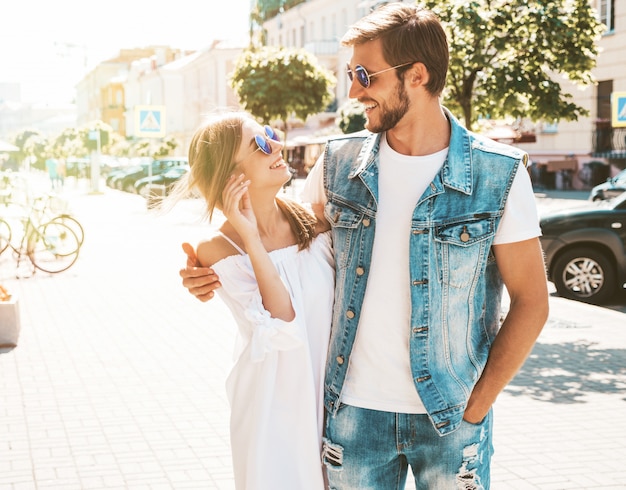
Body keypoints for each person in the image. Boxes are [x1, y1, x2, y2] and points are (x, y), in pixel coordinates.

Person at [180, 4, 549, 489]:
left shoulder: (497, 175)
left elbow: (532, 302)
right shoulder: (337, 164)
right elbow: (279, 236)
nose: (353, 91)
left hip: (451, 419)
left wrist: (476, 407)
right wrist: (210, 268)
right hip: (352, 419)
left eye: (363, 75)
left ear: (416, 76)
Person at [170, 111, 333, 490]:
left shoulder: (316, 221)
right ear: (231, 176)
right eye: (259, 144)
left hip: (333, 408)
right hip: (275, 417)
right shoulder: (217, 248)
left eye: (271, 134)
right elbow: (283, 324)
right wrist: (251, 239)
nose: (277, 145)